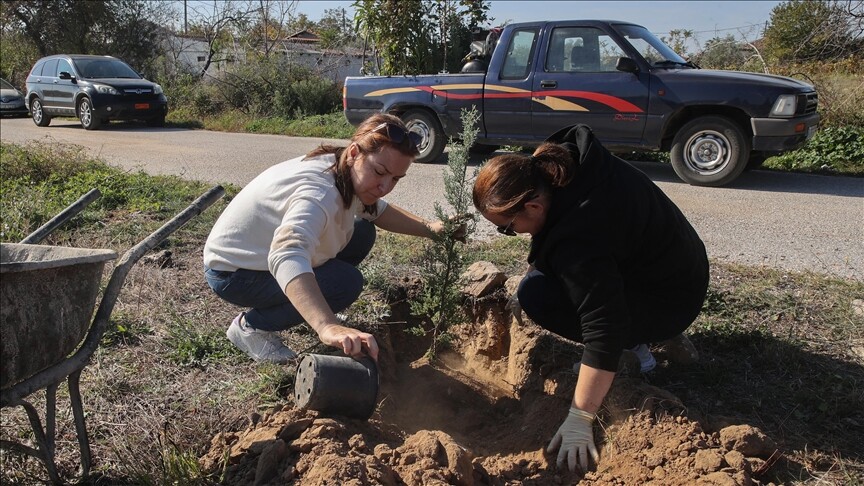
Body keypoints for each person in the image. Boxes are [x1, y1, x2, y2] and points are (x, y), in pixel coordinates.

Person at [472, 124, 708, 474]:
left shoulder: (580, 235)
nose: (509, 233)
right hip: (675, 269)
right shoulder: (569, 167)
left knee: (538, 295)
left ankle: (637, 351)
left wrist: (580, 417)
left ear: (533, 205)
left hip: (671, 297)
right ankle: (655, 327)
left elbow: (603, 326)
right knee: (538, 281)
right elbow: (566, 241)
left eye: (506, 227)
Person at [204, 113, 460, 364]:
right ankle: (250, 328)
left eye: (395, 178)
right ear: (354, 153)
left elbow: (378, 211)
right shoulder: (319, 194)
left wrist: (431, 228)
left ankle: (314, 301)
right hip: (233, 273)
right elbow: (286, 255)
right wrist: (326, 325)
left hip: (256, 250)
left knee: (362, 231)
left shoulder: (341, 165)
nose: (385, 187)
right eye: (379, 172)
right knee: (344, 284)